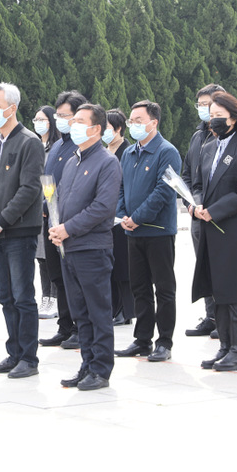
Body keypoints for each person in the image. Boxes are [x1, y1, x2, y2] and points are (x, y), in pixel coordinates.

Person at [48, 104, 122, 391]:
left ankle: (101, 369)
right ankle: (87, 365)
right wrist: (57, 227)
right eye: (73, 120)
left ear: (96, 129)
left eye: (80, 121)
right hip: (69, 248)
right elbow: (61, 200)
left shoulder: (107, 162)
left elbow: (102, 207)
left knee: (98, 311)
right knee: (80, 312)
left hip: (92, 248)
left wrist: (68, 228)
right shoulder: (72, 161)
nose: (73, 125)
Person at [191, 93, 237, 371]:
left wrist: (216, 210)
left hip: (235, 232)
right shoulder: (208, 148)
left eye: (219, 115)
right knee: (217, 290)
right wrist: (197, 204)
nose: (213, 120)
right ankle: (223, 346)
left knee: (235, 292)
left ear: (233, 118)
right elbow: (199, 184)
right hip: (210, 231)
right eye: (211, 115)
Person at [0, 82, 45, 379]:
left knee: (22, 297)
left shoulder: (29, 142)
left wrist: (2, 221)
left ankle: (28, 358)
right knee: (6, 297)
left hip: (19, 232)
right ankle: (14, 353)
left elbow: (30, 189)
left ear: (12, 108)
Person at [115, 100, 182, 363]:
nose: (133, 125)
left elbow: (164, 192)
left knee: (163, 289)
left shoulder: (167, 152)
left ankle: (164, 342)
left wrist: (138, 217)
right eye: (131, 121)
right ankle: (142, 340)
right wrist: (123, 215)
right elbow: (121, 188)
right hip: (132, 232)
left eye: (138, 120)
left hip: (158, 231)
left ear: (153, 123)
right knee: (139, 288)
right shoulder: (129, 153)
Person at [39, 90, 87, 349]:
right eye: (57, 115)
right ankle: (65, 326)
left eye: (65, 115)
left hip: (72, 224)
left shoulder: (82, 148)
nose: (60, 120)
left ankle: (81, 328)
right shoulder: (57, 146)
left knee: (75, 278)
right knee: (57, 276)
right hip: (51, 221)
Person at [182, 84, 226, 338]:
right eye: (199, 105)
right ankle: (210, 316)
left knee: (221, 268)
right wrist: (190, 203)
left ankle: (224, 319)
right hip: (196, 213)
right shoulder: (197, 137)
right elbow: (188, 175)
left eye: (207, 105)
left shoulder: (229, 138)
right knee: (204, 268)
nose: (203, 109)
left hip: (218, 215)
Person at [105, 107, 135, 326]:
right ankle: (113, 307)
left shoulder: (127, 152)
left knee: (124, 265)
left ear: (118, 129)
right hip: (105, 216)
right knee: (110, 265)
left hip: (122, 215)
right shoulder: (103, 151)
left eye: (107, 128)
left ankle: (126, 310)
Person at [32, 105, 58, 319]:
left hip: (51, 208)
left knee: (53, 256)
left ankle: (55, 299)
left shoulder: (56, 148)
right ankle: (45, 297)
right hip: (35, 208)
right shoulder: (35, 146)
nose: (38, 123)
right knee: (41, 257)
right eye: (36, 120)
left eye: (42, 119)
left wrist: (47, 205)